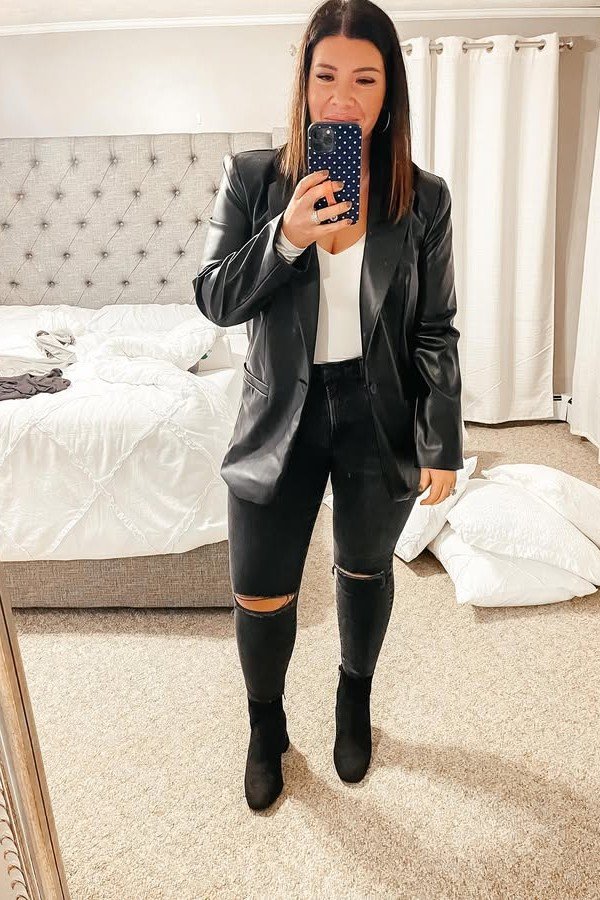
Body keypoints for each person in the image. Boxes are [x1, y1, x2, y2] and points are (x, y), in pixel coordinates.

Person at [193, 0, 463, 811]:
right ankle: (265, 726)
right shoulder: (252, 178)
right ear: (304, 83)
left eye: (365, 80)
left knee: (364, 569)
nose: (342, 98)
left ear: (389, 93)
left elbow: (435, 328)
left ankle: (354, 697)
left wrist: (441, 438)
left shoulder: (424, 199)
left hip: (376, 411)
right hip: (280, 410)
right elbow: (214, 298)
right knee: (260, 587)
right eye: (326, 77)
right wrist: (287, 235)